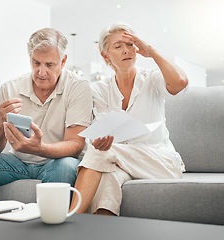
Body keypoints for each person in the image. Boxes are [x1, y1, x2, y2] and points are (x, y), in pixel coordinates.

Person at [70, 22, 188, 216]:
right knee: (106, 178)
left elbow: (180, 82)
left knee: (100, 155)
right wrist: (101, 142)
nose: (126, 50)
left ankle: (72, 219)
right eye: (118, 46)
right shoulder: (99, 90)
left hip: (160, 162)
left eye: (130, 44)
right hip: (120, 162)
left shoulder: (152, 78)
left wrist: (151, 52)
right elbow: (104, 131)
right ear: (105, 55)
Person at [0, 28, 93, 201]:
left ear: (63, 61)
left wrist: (40, 149)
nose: (41, 72)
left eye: (49, 65)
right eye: (36, 63)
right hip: (17, 163)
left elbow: (75, 145)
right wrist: (1, 122)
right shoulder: (9, 88)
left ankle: (50, 226)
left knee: (66, 166)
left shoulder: (78, 87)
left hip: (56, 162)